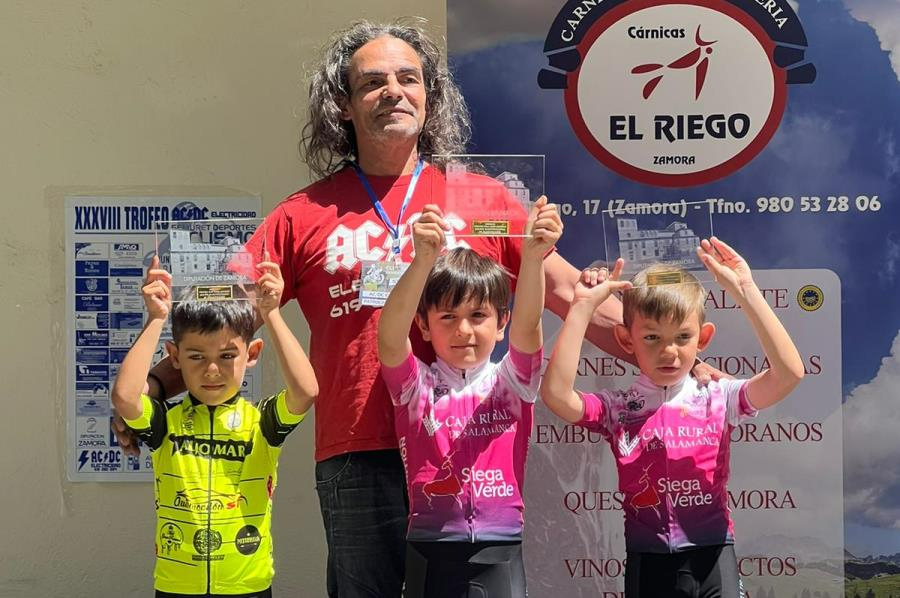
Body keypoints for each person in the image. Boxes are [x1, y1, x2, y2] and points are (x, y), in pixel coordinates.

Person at [114, 19, 715, 597]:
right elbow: (225, 311)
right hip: (359, 449)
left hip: (466, 443)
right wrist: (158, 384)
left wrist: (675, 361)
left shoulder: (480, 197)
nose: (393, 91)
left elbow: (568, 293)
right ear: (343, 107)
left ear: (430, 98)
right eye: (373, 82)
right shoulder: (302, 213)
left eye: (409, 78)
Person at [540, 238, 806, 598]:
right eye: (651, 337)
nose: (669, 351)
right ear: (626, 339)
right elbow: (557, 395)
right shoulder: (620, 409)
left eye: (683, 337)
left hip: (713, 557)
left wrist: (745, 291)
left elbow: (788, 373)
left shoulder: (718, 395)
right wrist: (582, 309)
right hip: (648, 561)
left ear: (703, 338)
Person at [377, 197, 561, 597]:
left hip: (501, 549)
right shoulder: (416, 388)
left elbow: (529, 327)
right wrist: (423, 260)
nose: (464, 330)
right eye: (448, 317)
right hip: (430, 549)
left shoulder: (512, 383)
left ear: (500, 323)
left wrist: (532, 258)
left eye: (478, 316)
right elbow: (389, 339)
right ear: (423, 326)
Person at [110, 254, 317, 598]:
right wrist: (156, 318)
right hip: (178, 587)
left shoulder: (261, 423)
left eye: (226, 356)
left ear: (251, 354)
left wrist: (272, 313)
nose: (211, 370)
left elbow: (306, 391)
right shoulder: (166, 423)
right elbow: (125, 397)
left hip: (248, 585)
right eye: (196, 357)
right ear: (174, 357)